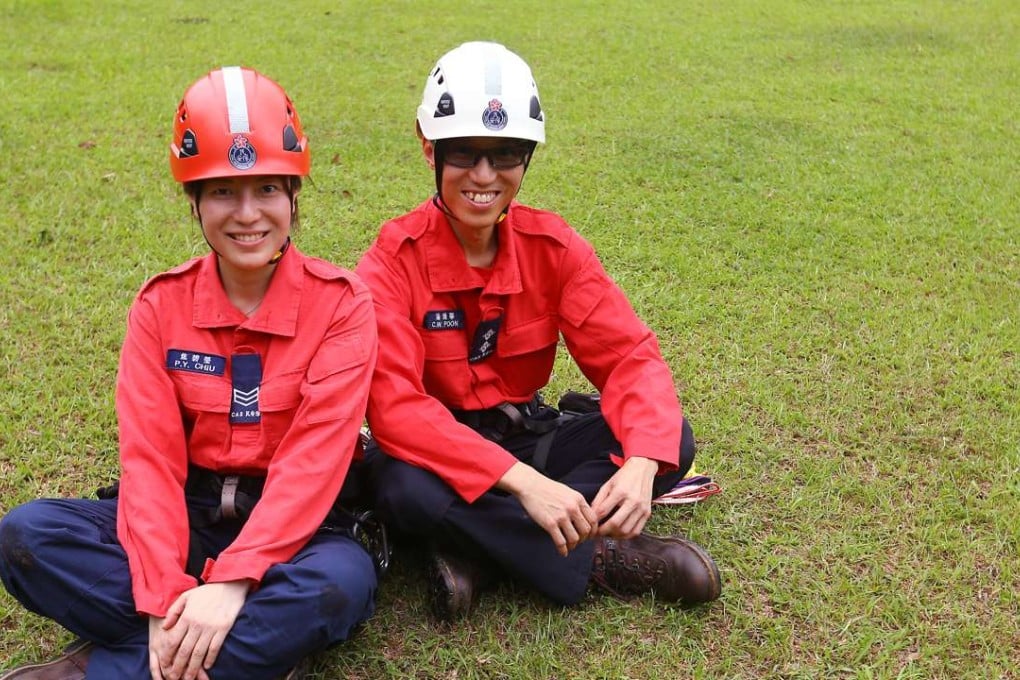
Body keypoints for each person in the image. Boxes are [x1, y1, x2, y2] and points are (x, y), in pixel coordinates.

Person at [0, 66, 379, 679]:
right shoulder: (160, 306)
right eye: (224, 191)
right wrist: (158, 597)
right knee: (27, 536)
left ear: (293, 195)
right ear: (194, 200)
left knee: (338, 587)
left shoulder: (343, 305)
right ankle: (240, 646)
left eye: (266, 190)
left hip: (298, 533)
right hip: (188, 514)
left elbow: (313, 462)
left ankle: (107, 667)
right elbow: (150, 462)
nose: (248, 214)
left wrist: (233, 581)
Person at [355, 41, 721, 621]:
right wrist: (524, 484)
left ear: (527, 157)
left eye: (504, 155)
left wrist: (642, 466)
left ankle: (478, 555)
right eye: (465, 154)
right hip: (440, 457)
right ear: (430, 148)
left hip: (529, 435)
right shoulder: (389, 264)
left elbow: (629, 357)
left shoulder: (553, 248)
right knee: (403, 491)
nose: (484, 175)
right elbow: (397, 411)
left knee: (668, 437)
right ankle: (599, 558)